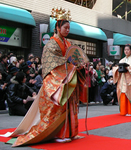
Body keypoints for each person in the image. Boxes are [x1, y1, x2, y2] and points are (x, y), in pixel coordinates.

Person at [10, 8, 88, 147]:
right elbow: (54, 64)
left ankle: (69, 133)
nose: (67, 30)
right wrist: (72, 67)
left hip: (66, 79)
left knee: (69, 108)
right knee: (57, 108)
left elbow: (71, 60)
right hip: (56, 81)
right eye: (65, 27)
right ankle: (58, 134)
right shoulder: (51, 44)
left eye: (69, 28)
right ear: (57, 27)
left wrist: (80, 65)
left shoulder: (67, 43)